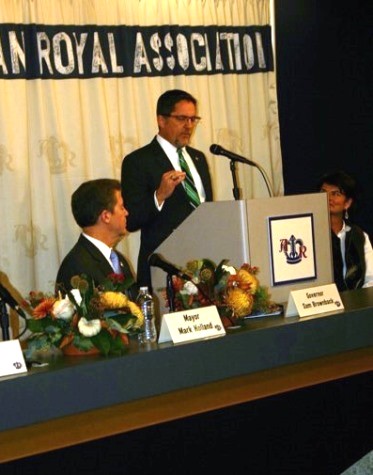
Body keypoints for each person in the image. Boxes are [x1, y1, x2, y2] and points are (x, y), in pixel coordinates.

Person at [121, 89, 213, 287]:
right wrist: (159, 196)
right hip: (165, 268)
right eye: (181, 119)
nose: (189, 126)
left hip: (202, 265)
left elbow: (207, 210)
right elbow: (131, 220)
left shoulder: (198, 158)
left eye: (193, 119)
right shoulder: (138, 161)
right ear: (161, 120)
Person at [56, 178, 137, 299]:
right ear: (106, 216)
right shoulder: (76, 267)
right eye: (121, 207)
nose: (126, 213)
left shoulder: (119, 260)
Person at [318, 170, 373, 291]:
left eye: (336, 193)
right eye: (323, 193)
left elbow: (371, 279)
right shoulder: (310, 236)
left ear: (347, 203)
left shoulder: (359, 236)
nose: (328, 198)